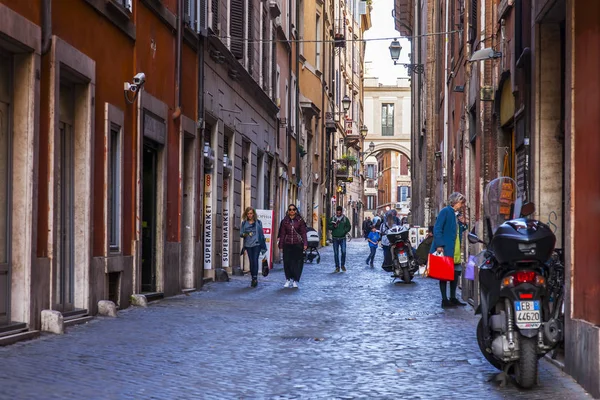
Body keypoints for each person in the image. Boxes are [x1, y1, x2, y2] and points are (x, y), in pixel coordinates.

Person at [430, 192, 469, 309]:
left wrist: (463, 223)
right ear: (455, 202)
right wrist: (439, 244)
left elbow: (460, 230)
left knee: (456, 273)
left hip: (455, 248)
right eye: (461, 203)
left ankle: (453, 297)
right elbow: (437, 228)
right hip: (446, 247)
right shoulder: (445, 212)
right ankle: (444, 299)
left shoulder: (456, 214)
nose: (462, 205)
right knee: (444, 274)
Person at [277, 204, 308, 288]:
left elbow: (303, 233)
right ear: (288, 211)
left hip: (297, 244)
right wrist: (281, 245)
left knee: (296, 263)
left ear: (296, 211)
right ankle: (288, 279)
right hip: (287, 244)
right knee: (287, 262)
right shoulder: (284, 221)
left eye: (293, 209)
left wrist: (305, 243)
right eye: (290, 209)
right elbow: (282, 234)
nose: (292, 211)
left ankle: (295, 280)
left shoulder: (300, 221)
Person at [240, 207, 267, 288]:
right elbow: (241, 234)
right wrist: (247, 234)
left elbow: (261, 234)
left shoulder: (258, 222)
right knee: (251, 262)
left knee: (255, 260)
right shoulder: (244, 223)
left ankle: (255, 278)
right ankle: (253, 277)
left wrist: (263, 246)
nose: (249, 215)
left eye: (251, 213)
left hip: (257, 244)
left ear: (254, 214)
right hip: (248, 245)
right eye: (248, 214)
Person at [328, 206, 351, 272]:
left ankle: (342, 265)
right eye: (337, 213)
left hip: (342, 238)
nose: (338, 214)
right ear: (336, 212)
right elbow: (329, 226)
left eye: (339, 213)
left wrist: (344, 231)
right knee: (336, 253)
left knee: (343, 252)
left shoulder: (345, 219)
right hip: (335, 238)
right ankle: (337, 267)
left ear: (341, 212)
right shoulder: (332, 218)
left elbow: (349, 227)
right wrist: (333, 226)